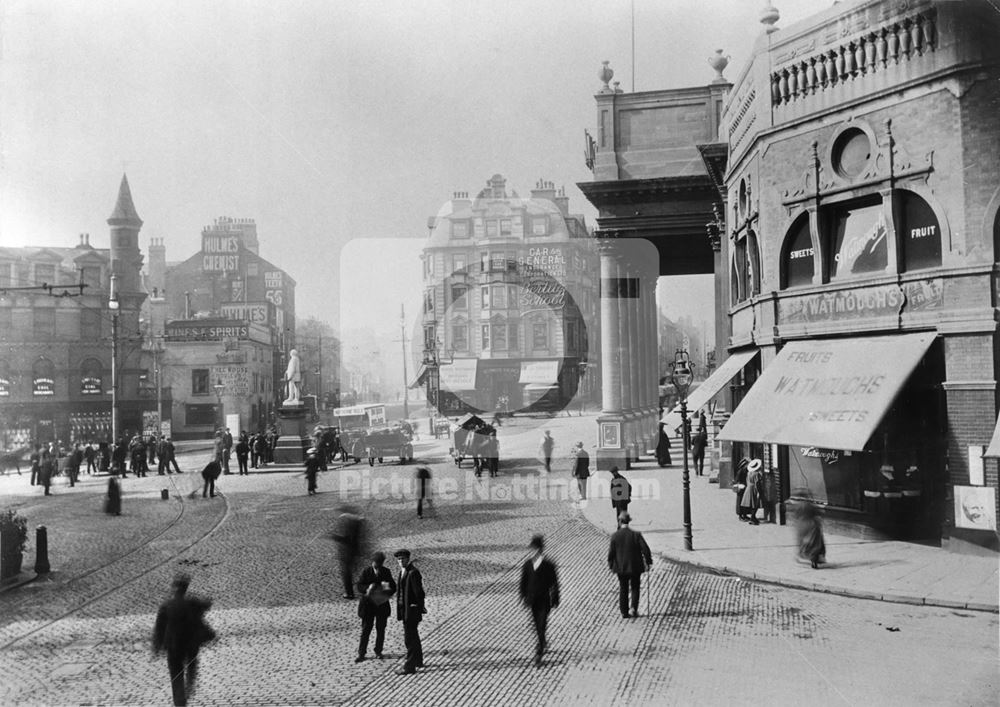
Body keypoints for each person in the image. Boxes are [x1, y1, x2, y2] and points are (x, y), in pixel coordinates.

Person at [152, 574, 216, 707]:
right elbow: (207, 605)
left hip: (173, 646)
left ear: (173, 588)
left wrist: (157, 646)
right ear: (185, 588)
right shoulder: (192, 603)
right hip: (190, 644)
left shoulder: (167, 605)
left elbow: (159, 627)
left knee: (176, 674)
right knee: (192, 665)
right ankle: (190, 685)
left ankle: (179, 701)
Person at [519, 535, 560, 667]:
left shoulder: (549, 565)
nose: (534, 551)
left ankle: (539, 651)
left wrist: (555, 597)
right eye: (533, 549)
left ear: (541, 550)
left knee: (542, 623)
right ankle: (541, 640)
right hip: (532, 600)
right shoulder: (527, 565)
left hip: (544, 599)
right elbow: (523, 582)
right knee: (536, 624)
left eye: (536, 549)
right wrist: (523, 596)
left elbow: (555, 583)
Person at [607, 512, 652, 619]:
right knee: (635, 587)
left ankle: (624, 612)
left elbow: (611, 554)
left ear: (619, 521)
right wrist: (648, 561)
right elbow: (645, 549)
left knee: (623, 588)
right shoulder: (636, 535)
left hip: (621, 568)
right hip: (635, 566)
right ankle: (633, 609)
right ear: (628, 521)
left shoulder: (615, 536)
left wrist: (611, 565)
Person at [355, 551, 397, 663]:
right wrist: (368, 588)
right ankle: (361, 653)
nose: (377, 566)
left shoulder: (386, 572)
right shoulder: (366, 572)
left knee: (380, 629)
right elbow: (359, 586)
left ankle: (378, 651)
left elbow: (393, 587)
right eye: (375, 564)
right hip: (368, 607)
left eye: (379, 564)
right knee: (366, 630)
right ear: (372, 562)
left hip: (381, 606)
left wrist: (385, 589)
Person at [394, 549, 425, 674]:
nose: (401, 561)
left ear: (408, 559)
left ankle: (409, 667)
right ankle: (418, 660)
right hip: (404, 610)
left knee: (409, 639)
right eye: (399, 559)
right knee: (414, 636)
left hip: (411, 611)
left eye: (403, 559)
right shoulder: (402, 572)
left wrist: (416, 606)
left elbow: (419, 593)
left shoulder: (413, 573)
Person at [332, 506, 365, 599]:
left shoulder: (348, 522)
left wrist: (334, 536)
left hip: (347, 551)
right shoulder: (357, 521)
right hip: (354, 549)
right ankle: (357, 587)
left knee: (346, 573)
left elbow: (345, 538)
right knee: (352, 570)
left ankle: (349, 593)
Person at [794, 497, 826, 569]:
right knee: (815, 543)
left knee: (805, 542)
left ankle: (806, 555)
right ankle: (815, 559)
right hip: (812, 525)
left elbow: (796, 516)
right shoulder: (811, 506)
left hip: (804, 526)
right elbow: (820, 513)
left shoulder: (799, 506)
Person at [741, 458, 763, 525]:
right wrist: (759, 491)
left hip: (748, 488)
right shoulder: (757, 474)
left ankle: (751, 517)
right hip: (754, 488)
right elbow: (757, 483)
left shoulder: (749, 473)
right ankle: (753, 517)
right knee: (755, 504)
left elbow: (747, 481)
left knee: (749, 503)